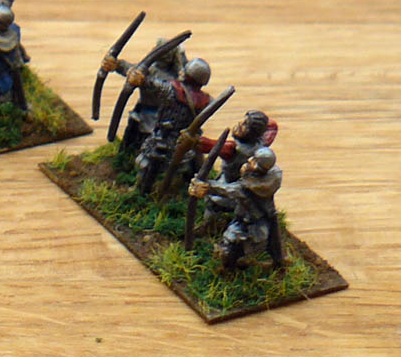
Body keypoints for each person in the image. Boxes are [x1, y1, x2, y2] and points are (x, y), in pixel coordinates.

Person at [125, 57, 212, 194]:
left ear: (189, 76)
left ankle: (142, 191)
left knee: (145, 164)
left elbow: (150, 84)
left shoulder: (171, 90)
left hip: (162, 139)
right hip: (184, 146)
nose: (181, 72)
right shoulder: (207, 101)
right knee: (186, 166)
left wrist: (139, 78)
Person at [189, 146, 284, 269]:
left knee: (233, 249)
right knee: (229, 245)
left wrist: (207, 186)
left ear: (259, 168)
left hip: (254, 226)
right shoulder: (255, 180)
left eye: (254, 160)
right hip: (242, 219)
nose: (249, 160)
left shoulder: (254, 187)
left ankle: (235, 267)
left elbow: (231, 190)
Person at [100, 38, 188, 154]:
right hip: (143, 114)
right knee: (133, 145)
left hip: (164, 121)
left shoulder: (177, 79)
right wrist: (116, 64)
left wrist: (142, 80)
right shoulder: (150, 69)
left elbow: (160, 86)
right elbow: (132, 69)